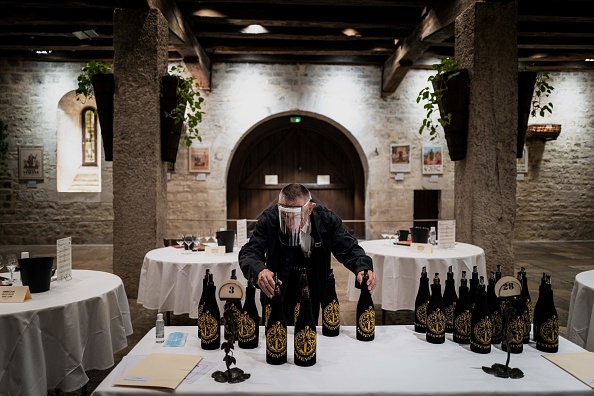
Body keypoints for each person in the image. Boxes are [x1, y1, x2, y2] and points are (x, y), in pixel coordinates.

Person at [239, 183, 376, 325]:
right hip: (278, 282)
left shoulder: (326, 219)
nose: (291, 225)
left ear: (310, 208)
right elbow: (249, 251)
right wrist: (259, 270)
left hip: (313, 281)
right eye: (285, 217)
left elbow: (349, 248)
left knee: (308, 325)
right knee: (276, 328)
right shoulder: (270, 218)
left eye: (297, 217)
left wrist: (362, 267)